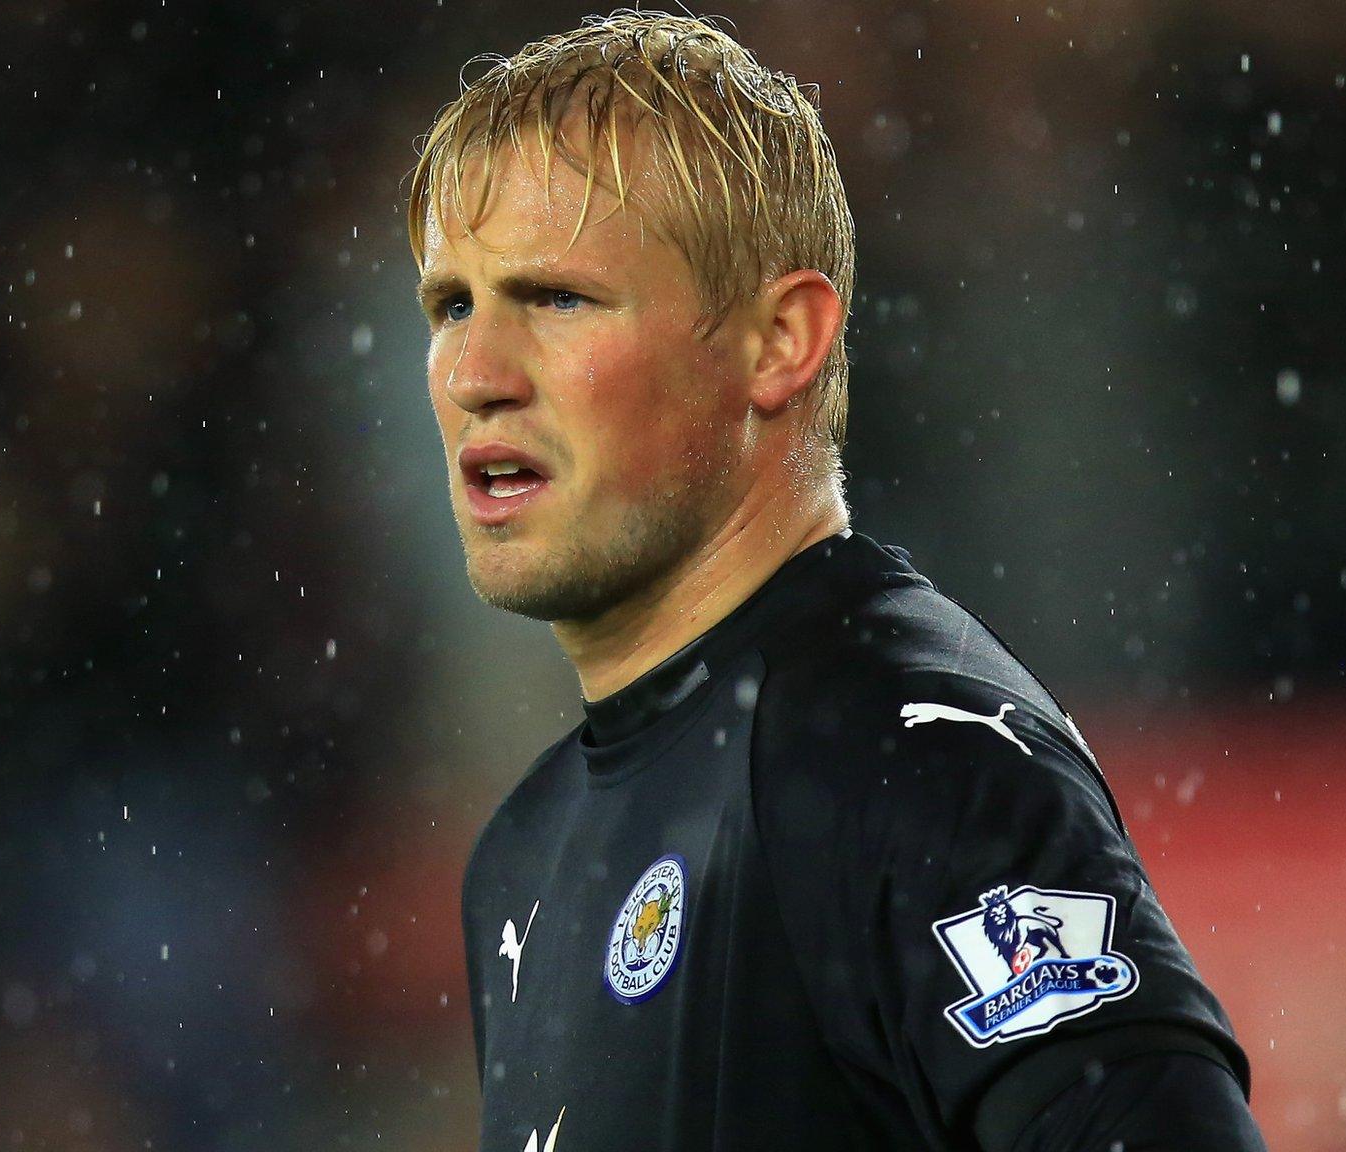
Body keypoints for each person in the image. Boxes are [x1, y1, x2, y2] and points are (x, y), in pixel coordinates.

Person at [405, 12, 1266, 1151]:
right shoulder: (520, 858)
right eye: (450, 305)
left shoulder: (908, 759)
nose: (471, 373)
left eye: (556, 298)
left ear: (777, 342)